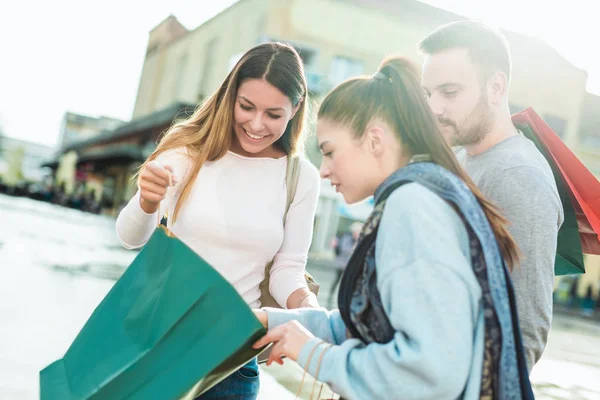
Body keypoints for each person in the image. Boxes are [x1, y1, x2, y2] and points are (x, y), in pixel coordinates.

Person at [253, 57, 533, 400]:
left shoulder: (412, 207)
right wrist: (272, 322)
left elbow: (431, 370)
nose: (323, 170)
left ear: (374, 140)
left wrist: (312, 353)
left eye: (329, 152)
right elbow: (368, 323)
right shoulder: (423, 194)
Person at [115, 42, 320, 400]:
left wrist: (309, 310)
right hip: (157, 344)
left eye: (273, 114)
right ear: (230, 96)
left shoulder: (300, 177)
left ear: (296, 108)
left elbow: (288, 268)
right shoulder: (187, 151)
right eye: (246, 107)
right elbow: (130, 238)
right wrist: (148, 201)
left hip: (232, 362)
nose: (256, 125)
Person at [419, 20, 564, 372]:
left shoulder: (519, 178)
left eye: (449, 92)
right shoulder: (461, 156)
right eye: (428, 93)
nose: (434, 108)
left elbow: (523, 332)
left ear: (496, 87)